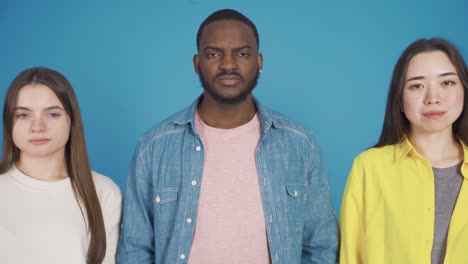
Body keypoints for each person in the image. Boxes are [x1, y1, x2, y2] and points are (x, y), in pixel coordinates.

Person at [118, 8, 338, 264]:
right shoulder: (154, 146)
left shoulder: (299, 144)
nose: (228, 65)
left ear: (259, 62)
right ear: (197, 64)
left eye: (242, 53)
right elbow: (135, 250)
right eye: (213, 54)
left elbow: (320, 247)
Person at [339, 38, 468, 263]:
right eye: (417, 85)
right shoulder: (369, 167)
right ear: (399, 98)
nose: (433, 98)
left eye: (447, 83)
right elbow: (350, 256)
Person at [0, 67, 122, 264]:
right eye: (23, 115)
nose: (37, 127)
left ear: (71, 120)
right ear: (8, 122)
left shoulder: (104, 192)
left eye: (52, 114)